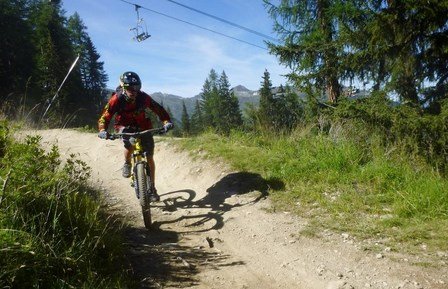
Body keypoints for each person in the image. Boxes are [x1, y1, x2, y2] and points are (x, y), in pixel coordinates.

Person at [97, 71, 173, 202]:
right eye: (130, 88)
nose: (134, 91)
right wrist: (102, 129)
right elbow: (105, 116)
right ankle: (127, 163)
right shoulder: (117, 99)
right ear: (123, 87)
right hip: (123, 126)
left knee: (149, 156)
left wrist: (166, 121)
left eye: (137, 88)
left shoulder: (143, 98)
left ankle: (152, 188)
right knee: (129, 143)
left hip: (143, 126)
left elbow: (158, 109)